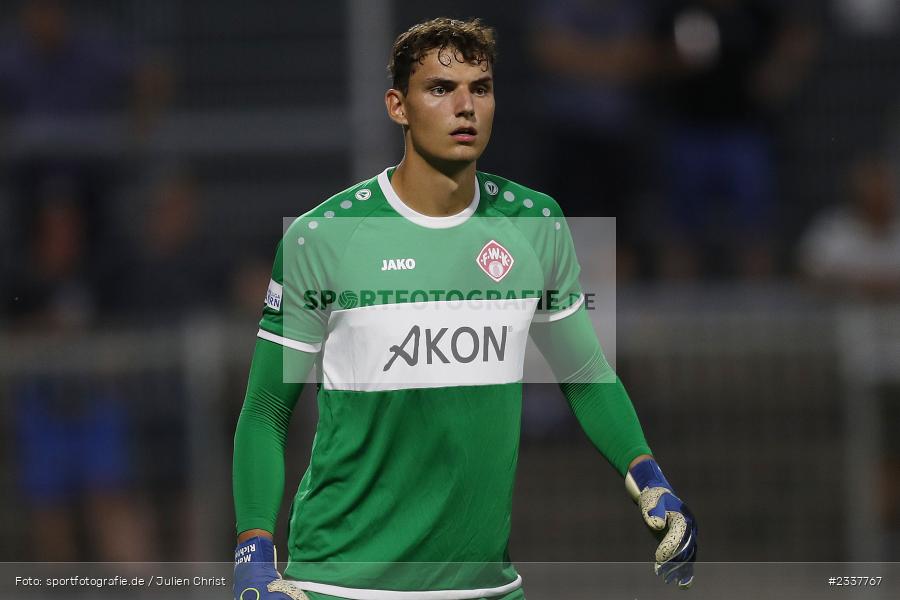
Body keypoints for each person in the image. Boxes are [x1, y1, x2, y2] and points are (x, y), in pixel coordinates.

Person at [232, 17, 697, 600]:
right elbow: (266, 411)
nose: (465, 106)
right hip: (342, 584)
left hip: (485, 588)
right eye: (440, 89)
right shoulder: (322, 238)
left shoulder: (536, 223)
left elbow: (585, 376)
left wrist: (648, 476)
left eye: (480, 88)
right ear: (397, 106)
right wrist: (253, 552)